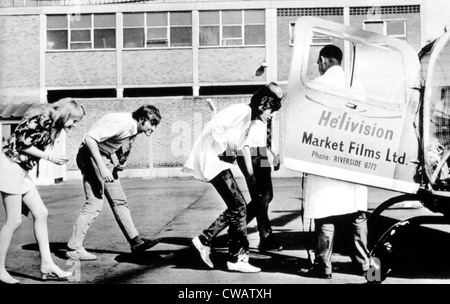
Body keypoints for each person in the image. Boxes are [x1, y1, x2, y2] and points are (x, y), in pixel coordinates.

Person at [183, 82, 283, 273]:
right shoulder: (243, 111)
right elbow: (219, 129)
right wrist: (225, 154)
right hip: (224, 159)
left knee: (248, 203)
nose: (272, 115)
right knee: (243, 205)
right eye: (272, 108)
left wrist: (274, 153)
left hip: (250, 155)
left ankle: (209, 241)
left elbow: (240, 142)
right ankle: (236, 254)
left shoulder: (251, 117)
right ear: (264, 102)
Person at [300, 45, 371, 279]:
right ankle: (365, 265)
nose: (317, 67)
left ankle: (324, 266)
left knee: (325, 211)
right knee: (357, 213)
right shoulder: (356, 86)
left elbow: (306, 124)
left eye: (318, 63)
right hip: (353, 155)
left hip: (324, 157)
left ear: (323, 61)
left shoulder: (316, 86)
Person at [0, 98, 85, 284]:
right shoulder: (43, 118)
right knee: (13, 221)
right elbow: (22, 143)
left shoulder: (51, 124)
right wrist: (49, 157)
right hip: (9, 166)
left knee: (41, 213)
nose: (74, 125)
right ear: (66, 114)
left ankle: (47, 263)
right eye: (74, 121)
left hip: (20, 169)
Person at [66, 105, 161, 261]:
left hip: (105, 157)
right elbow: (89, 139)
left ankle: (136, 242)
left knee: (119, 201)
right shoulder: (121, 122)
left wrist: (117, 162)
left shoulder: (134, 127)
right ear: (143, 119)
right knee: (94, 202)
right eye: (152, 124)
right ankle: (73, 248)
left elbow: (113, 144)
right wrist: (103, 168)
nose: (153, 128)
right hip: (90, 155)